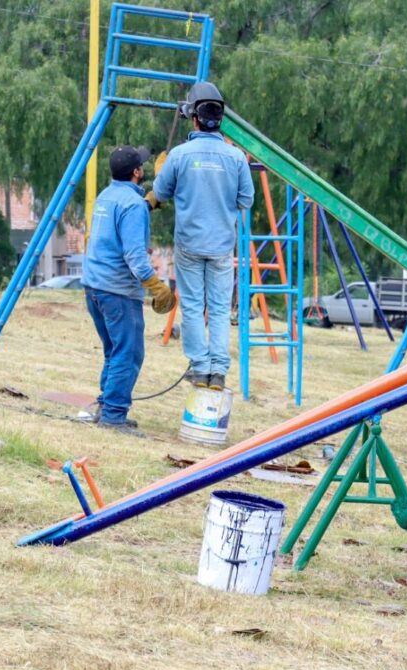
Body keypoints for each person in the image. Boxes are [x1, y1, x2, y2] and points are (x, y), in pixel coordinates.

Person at [149, 81, 254, 391]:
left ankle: (199, 367)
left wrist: (163, 172)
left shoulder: (179, 155)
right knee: (220, 308)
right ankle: (218, 372)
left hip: (189, 244)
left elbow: (161, 192)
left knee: (193, 306)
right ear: (219, 119)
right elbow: (246, 200)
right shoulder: (236, 158)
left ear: (193, 118)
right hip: (221, 245)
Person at [82, 145, 176, 436]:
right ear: (136, 172)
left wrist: (150, 202)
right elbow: (135, 256)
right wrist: (157, 287)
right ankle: (113, 416)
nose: (144, 168)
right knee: (128, 353)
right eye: (142, 165)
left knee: (114, 351)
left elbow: (119, 226)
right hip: (118, 291)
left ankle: (106, 406)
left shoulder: (106, 196)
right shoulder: (133, 205)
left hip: (94, 286)